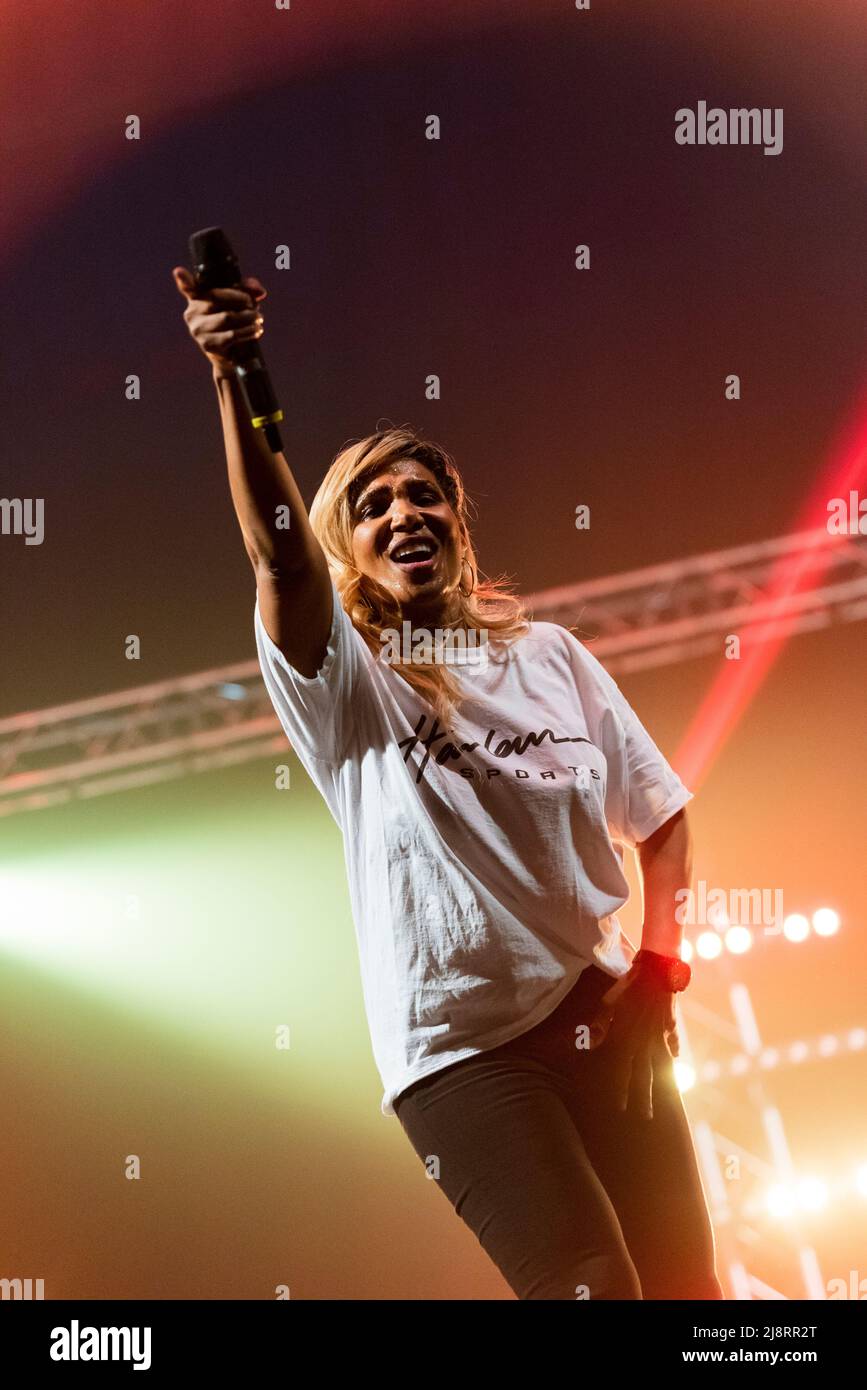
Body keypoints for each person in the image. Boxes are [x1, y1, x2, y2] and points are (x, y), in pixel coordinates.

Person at [172, 263, 724, 1301]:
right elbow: (280, 558)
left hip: (601, 1011)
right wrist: (235, 371)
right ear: (352, 553)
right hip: (465, 1060)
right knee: (597, 1284)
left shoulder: (550, 655)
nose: (404, 512)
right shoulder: (347, 681)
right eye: (373, 507)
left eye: (425, 494)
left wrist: (658, 969)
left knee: (694, 1297)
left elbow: (663, 819)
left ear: (458, 529)